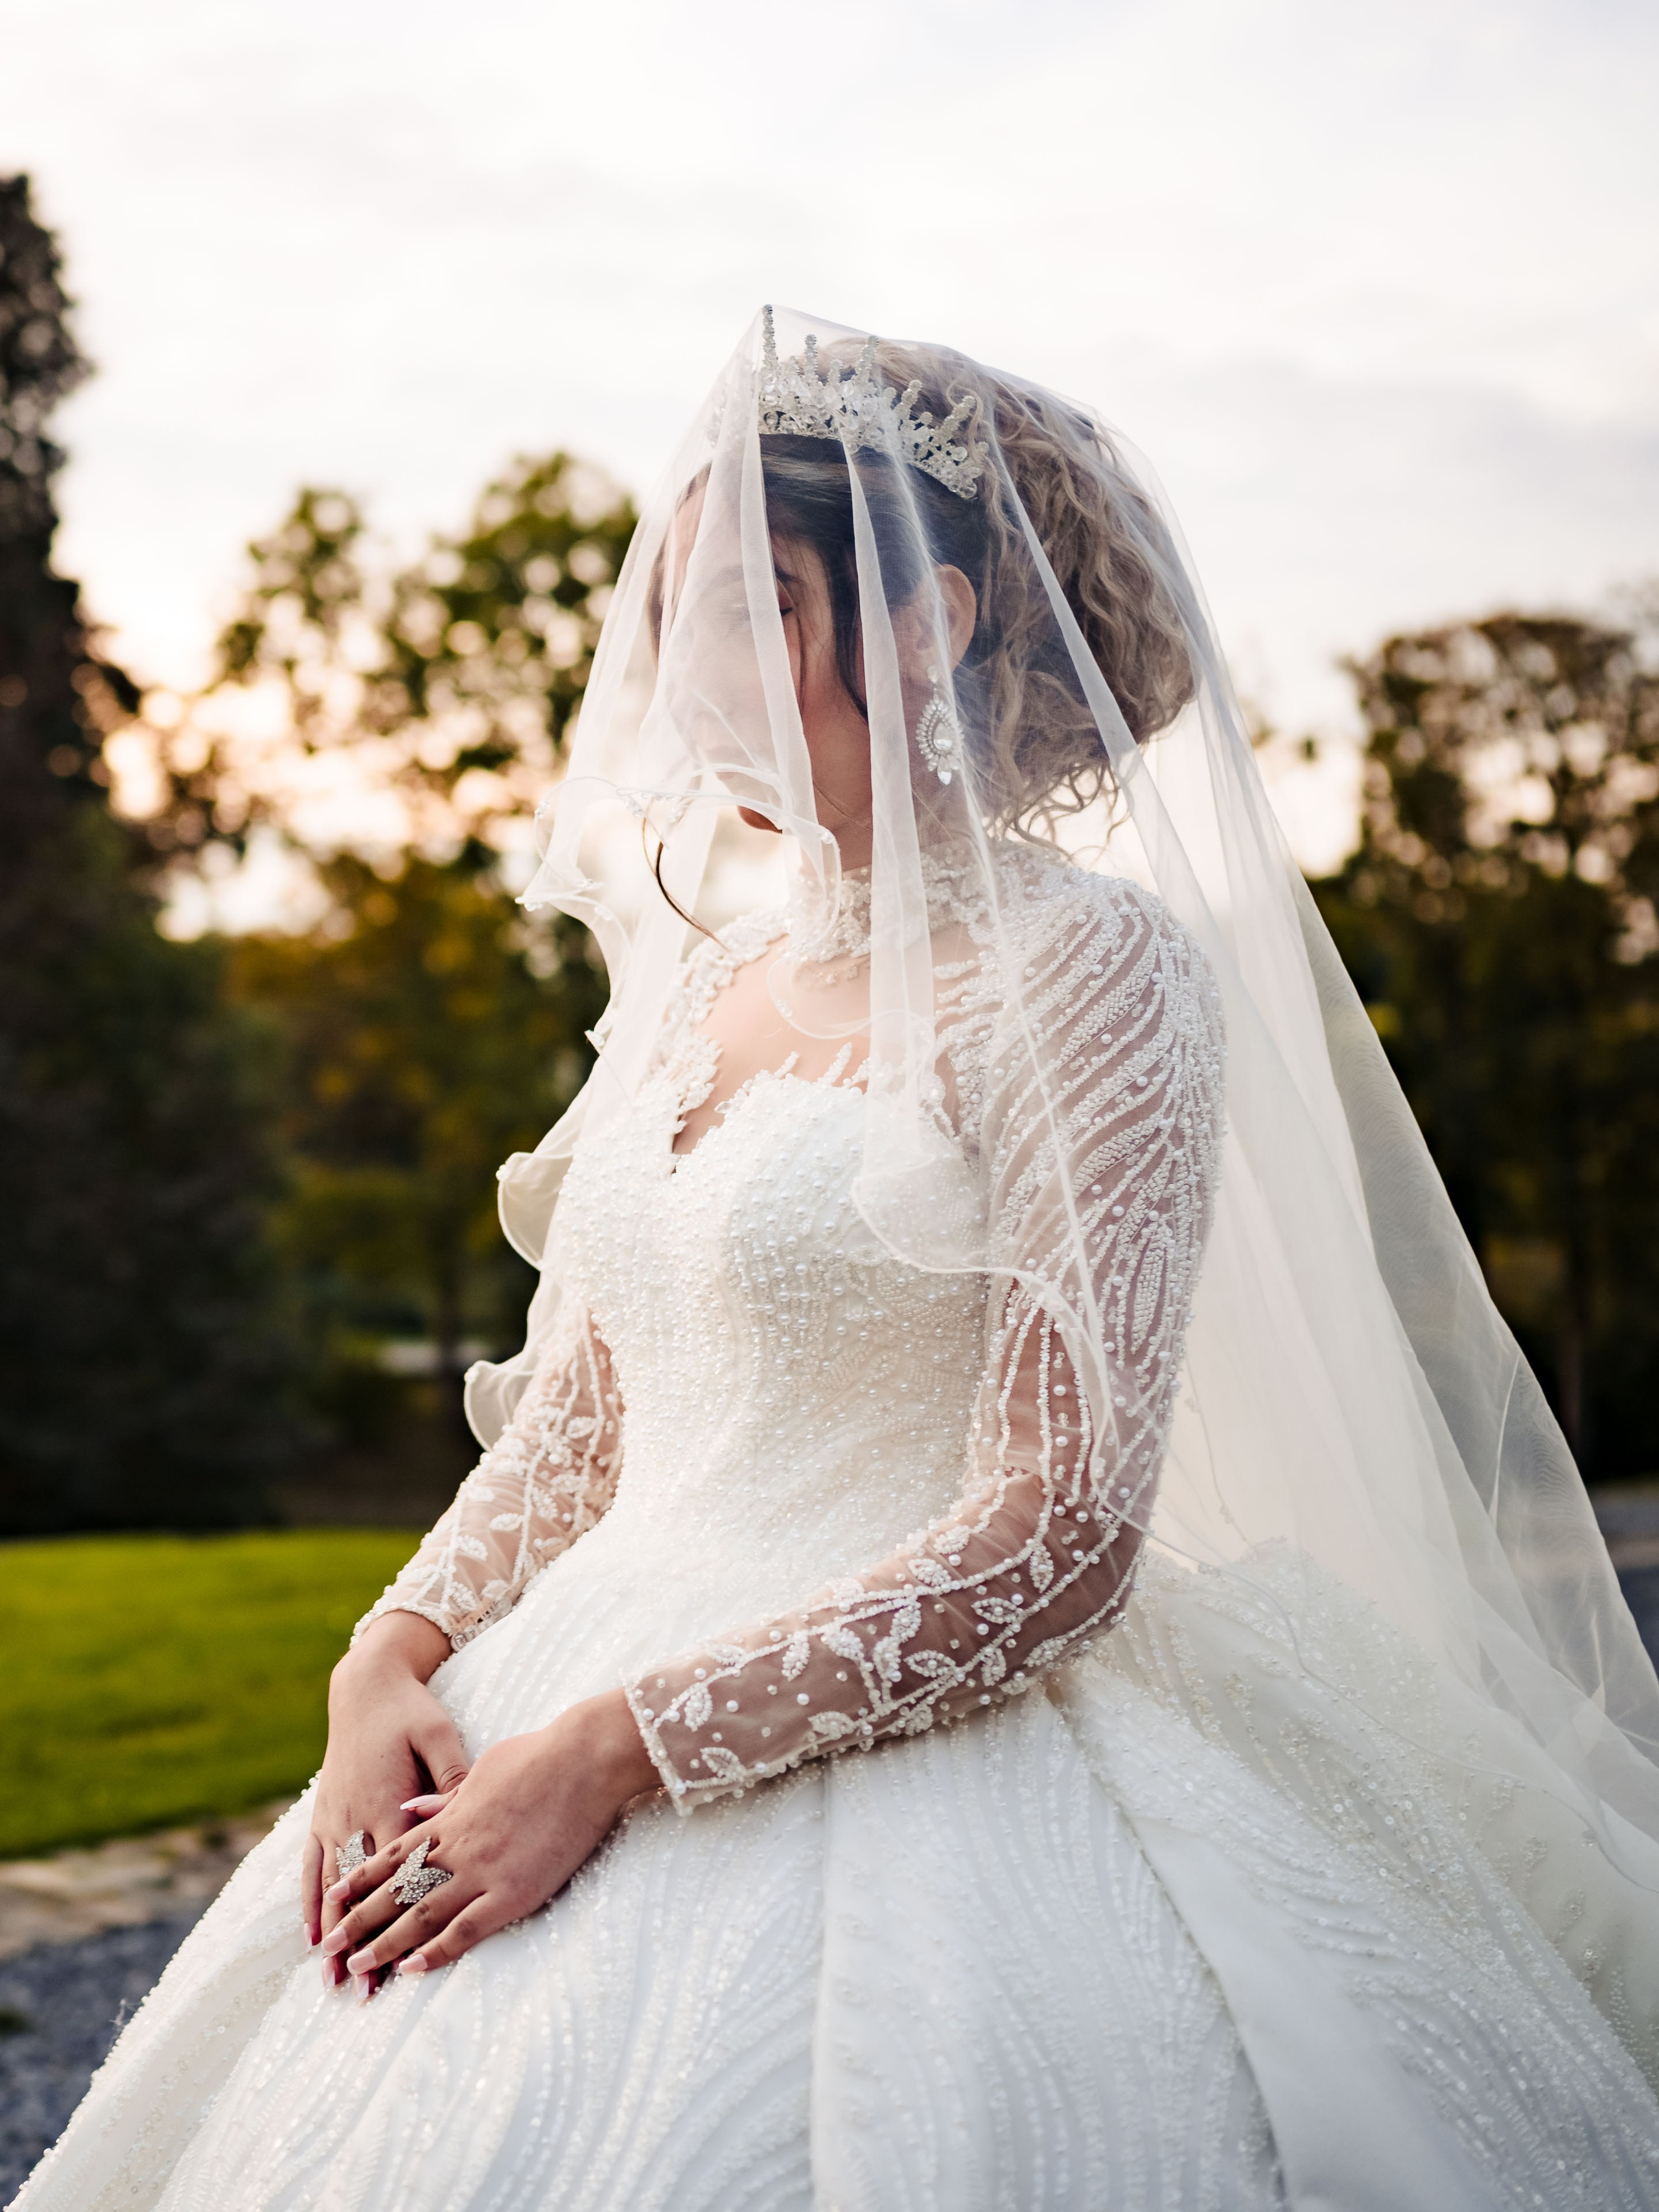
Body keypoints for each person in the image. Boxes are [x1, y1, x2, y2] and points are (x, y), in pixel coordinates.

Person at [17, 308, 1659, 2212]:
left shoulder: (1093, 972)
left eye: (746, 602)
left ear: (933, 621)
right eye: (682, 607)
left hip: (906, 1737)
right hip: (558, 1670)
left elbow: (1064, 1526)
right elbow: (588, 1422)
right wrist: (384, 1654)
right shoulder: (705, 983)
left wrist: (615, 1756)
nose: (673, 665)